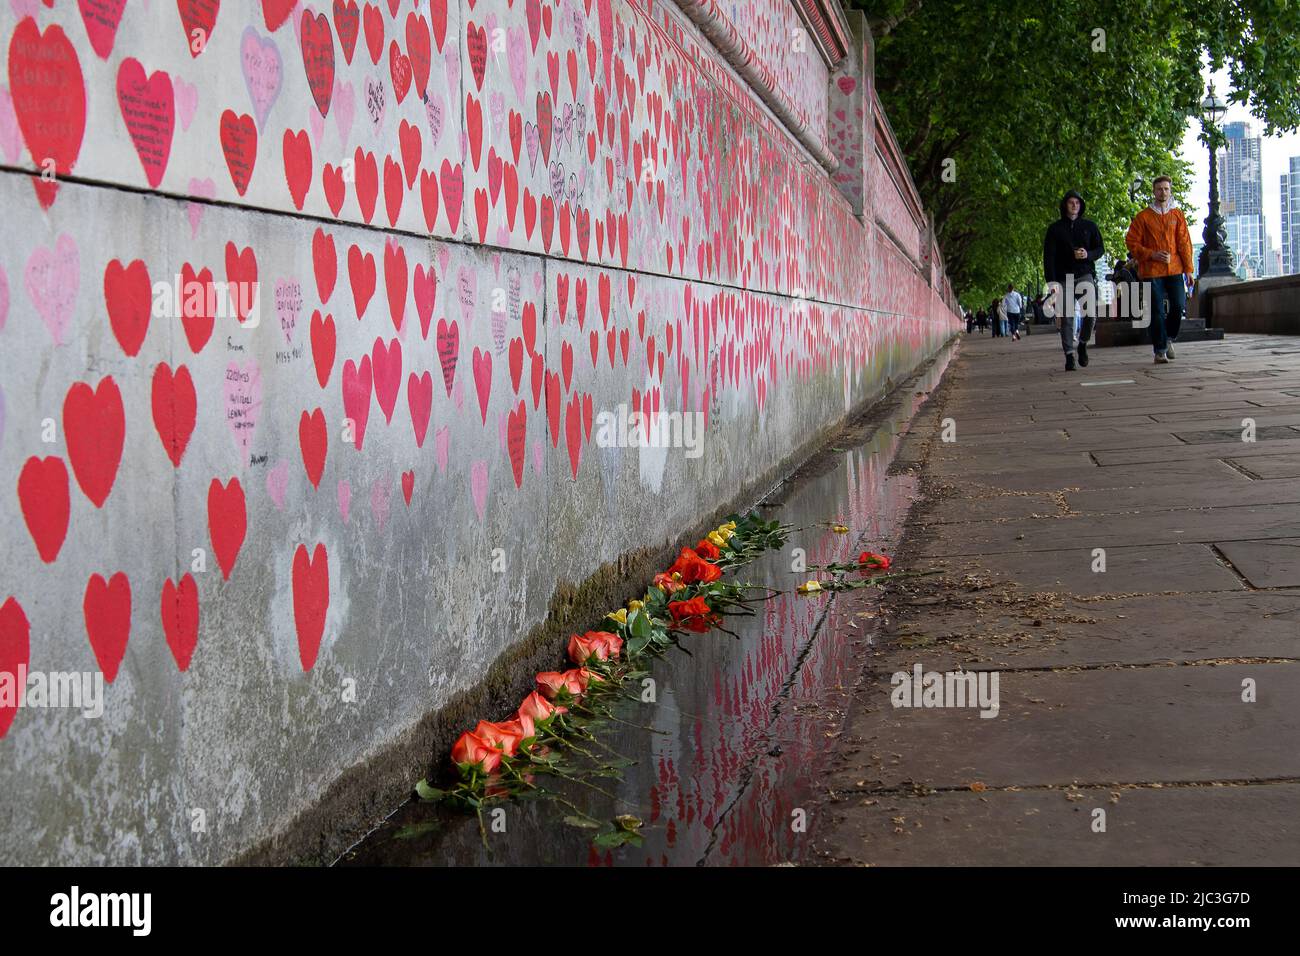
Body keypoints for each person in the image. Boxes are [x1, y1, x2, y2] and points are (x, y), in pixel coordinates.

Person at [1125, 175, 1194, 364]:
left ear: (1170, 191)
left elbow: (1184, 243)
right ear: (1154, 191)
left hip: (1175, 269)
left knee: (1179, 305)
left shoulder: (1177, 215)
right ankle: (1160, 349)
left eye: (1166, 189)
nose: (1163, 192)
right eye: (1159, 189)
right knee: (1155, 310)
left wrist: (1188, 269)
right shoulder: (1143, 217)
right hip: (1151, 271)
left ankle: (1169, 337)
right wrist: (1151, 254)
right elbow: (1131, 241)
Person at [1043, 189, 1105, 370]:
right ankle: (1069, 355)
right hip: (1063, 279)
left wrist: (1088, 254)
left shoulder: (1089, 226)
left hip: (1085, 274)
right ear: (1065, 205)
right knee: (1068, 318)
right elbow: (1049, 258)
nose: (1074, 206)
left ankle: (1083, 343)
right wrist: (1051, 282)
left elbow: (1100, 249)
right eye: (1071, 203)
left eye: (1077, 203)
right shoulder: (1055, 229)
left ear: (1081, 205)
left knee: (1091, 314)